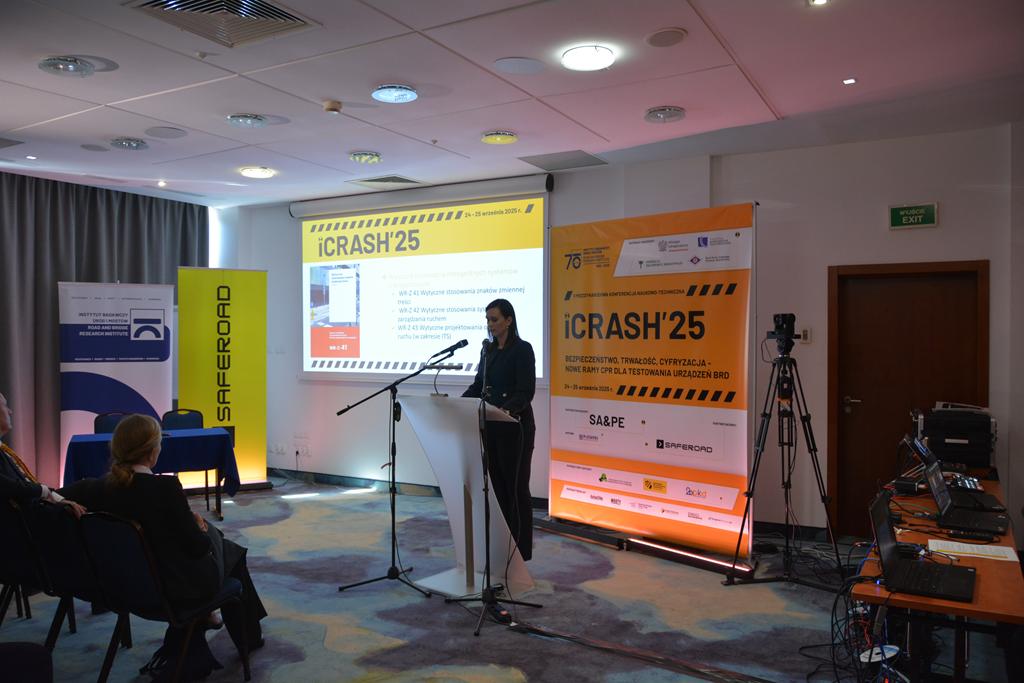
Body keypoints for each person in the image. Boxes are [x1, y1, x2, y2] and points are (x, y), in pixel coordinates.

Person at [61, 414, 266, 674]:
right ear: (152, 451)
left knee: (224, 547)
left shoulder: (96, 488)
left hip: (122, 586)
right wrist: (200, 528)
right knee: (230, 551)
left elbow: (51, 495)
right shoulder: (165, 488)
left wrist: (64, 502)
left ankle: (207, 627)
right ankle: (248, 637)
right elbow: (197, 548)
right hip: (172, 590)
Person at [462, 298, 536, 561]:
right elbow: (478, 386)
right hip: (491, 428)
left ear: (508, 320)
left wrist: (505, 409)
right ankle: (503, 549)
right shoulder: (488, 350)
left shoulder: (522, 350)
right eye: (487, 320)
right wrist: (458, 403)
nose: (490, 324)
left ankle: (521, 553)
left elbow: (525, 391)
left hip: (516, 429)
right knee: (498, 490)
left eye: (494, 319)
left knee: (516, 490)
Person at [0, 391, 85, 517]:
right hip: (28, 513)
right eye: (5, 406)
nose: (10, 411)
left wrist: (56, 498)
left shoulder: (3, 448)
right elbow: (9, 486)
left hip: (35, 500)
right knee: (89, 491)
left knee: (87, 486)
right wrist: (44, 492)